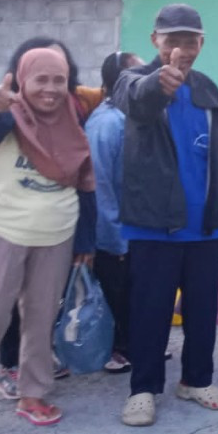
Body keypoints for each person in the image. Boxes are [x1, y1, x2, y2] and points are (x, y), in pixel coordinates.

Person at [113, 4, 218, 426]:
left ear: (201, 42)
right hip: (154, 224)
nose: (180, 49)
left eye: (189, 40)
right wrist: (159, 83)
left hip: (204, 226)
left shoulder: (208, 88)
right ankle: (143, 390)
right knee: (151, 311)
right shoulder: (133, 80)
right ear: (154, 41)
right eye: (171, 41)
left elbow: (214, 157)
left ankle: (196, 380)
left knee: (202, 311)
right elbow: (136, 102)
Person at [0, 46, 96, 425]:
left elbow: (86, 183)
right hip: (6, 232)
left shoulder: (73, 120)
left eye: (59, 80)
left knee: (41, 319)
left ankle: (33, 394)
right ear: (23, 80)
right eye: (41, 79)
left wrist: (85, 242)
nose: (51, 89)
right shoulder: (7, 117)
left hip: (57, 234)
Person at [85, 51, 143, 375]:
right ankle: (116, 349)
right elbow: (100, 184)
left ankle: (136, 343)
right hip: (115, 232)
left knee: (135, 292)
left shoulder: (133, 116)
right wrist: (114, 238)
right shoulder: (107, 123)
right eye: (139, 72)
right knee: (115, 293)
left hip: (137, 226)